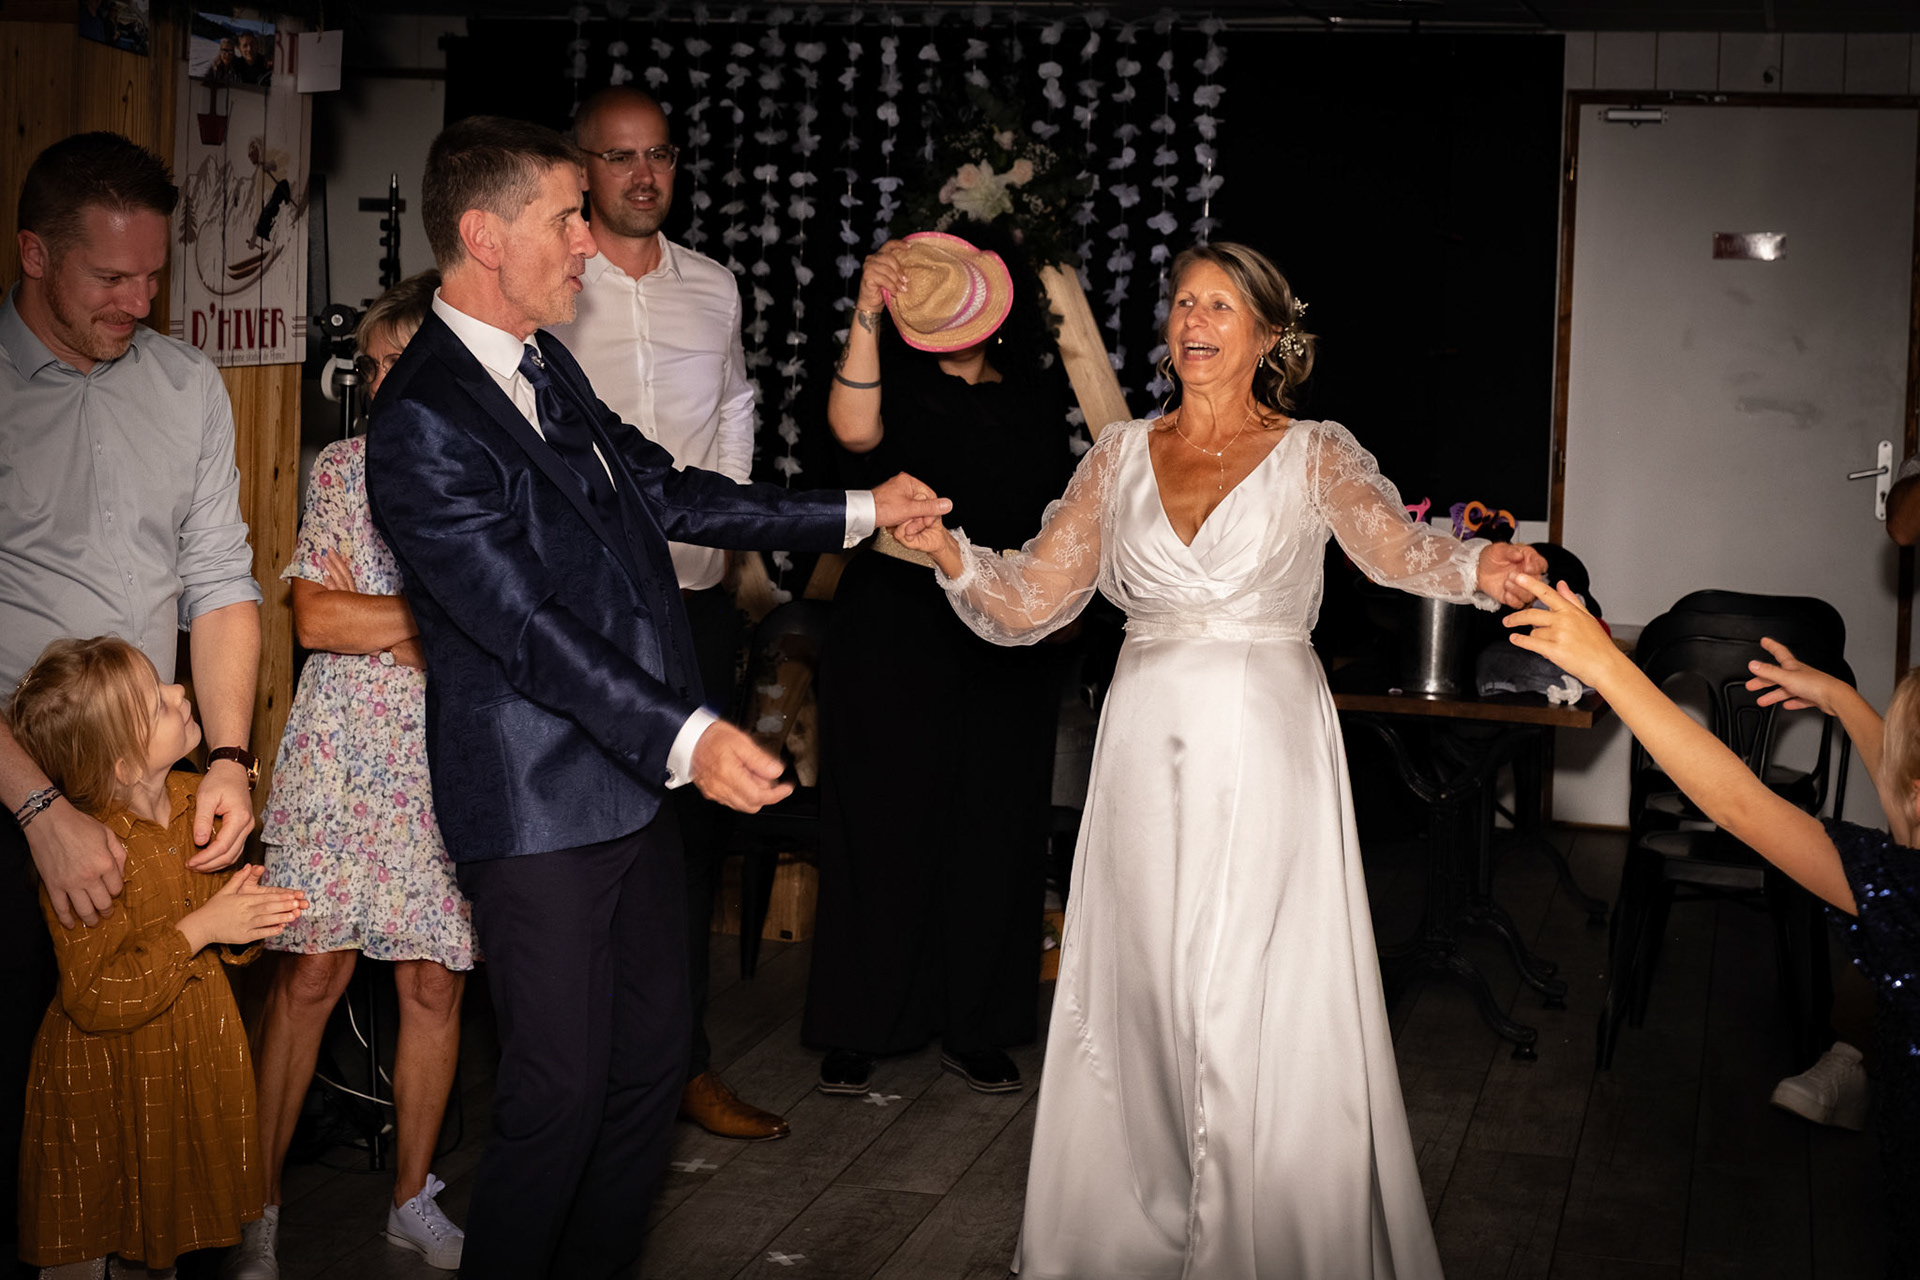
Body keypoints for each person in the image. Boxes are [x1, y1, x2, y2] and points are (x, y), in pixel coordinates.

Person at [361, 115, 950, 1280]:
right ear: (484, 234)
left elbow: (670, 489)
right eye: (565, 217)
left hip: (629, 783)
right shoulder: (422, 419)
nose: (589, 239)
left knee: (648, 1068)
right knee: (556, 1091)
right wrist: (690, 736)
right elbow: (526, 628)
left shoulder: (543, 363)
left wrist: (859, 510)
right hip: (535, 805)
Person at [891, 241, 1545, 1277]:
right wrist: (948, 552)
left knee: (1245, 982)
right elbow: (1033, 597)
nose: (1193, 321)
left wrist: (1478, 565)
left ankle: (1258, 1234)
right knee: (1150, 983)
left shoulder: (1314, 451)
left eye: (1221, 306)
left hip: (1265, 737)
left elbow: (1392, 547)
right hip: (1144, 743)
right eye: (1183, 303)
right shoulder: (1118, 453)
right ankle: (1139, 1225)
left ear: (1270, 335)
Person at [1, 131, 262, 1273]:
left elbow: (222, 582)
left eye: (153, 275)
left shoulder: (186, 383)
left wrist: (231, 761)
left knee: (155, 1065)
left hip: (148, 780)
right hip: (15, 779)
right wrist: (36, 807)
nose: (138, 301)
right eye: (110, 276)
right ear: (34, 253)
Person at [1505, 577, 1919, 1278]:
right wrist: (1840, 699)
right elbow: (1902, 788)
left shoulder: (1906, 893)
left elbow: (1740, 807)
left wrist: (1610, 669)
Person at [550, 85, 785, 1142]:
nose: (643, 175)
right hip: (579, 614)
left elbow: (734, 402)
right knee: (575, 843)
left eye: (659, 155)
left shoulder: (714, 287)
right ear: (582, 169)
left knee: (688, 843)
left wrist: (728, 530)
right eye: (619, 157)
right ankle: (578, 1077)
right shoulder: (556, 282)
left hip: (691, 604)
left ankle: (681, 1067)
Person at [223, 272, 470, 1280]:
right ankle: (256, 1203)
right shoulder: (342, 470)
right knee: (311, 971)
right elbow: (318, 620)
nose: (374, 382)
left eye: (393, 362)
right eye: (368, 367)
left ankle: (412, 1199)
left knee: (434, 981)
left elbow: (499, 633)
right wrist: (436, 623)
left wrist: (411, 629)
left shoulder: (488, 471)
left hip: (448, 753)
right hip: (337, 751)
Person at [802, 228, 1074, 1096]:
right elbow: (852, 433)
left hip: (1000, 624)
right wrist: (866, 311)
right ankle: (862, 1019)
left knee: (994, 824)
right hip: (896, 621)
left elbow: (1058, 518)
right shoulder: (888, 381)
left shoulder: (1033, 398)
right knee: (881, 824)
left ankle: (978, 1024)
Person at [10, 637, 307, 1279]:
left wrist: (245, 919)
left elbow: (229, 939)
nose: (179, 691)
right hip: (106, 1079)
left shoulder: (196, 801)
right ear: (121, 765)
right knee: (93, 1246)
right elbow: (94, 997)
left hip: (188, 1060)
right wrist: (203, 928)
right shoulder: (86, 856)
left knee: (163, 1241)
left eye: (164, 683)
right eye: (157, 702)